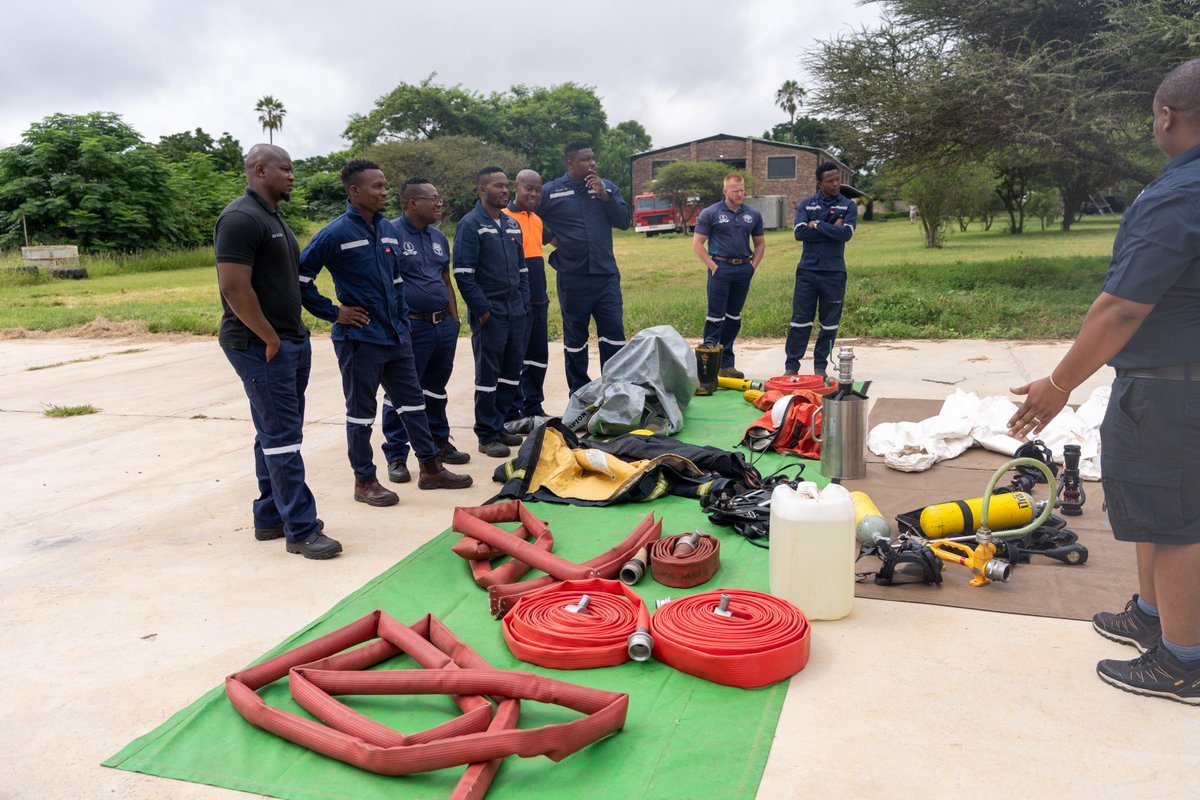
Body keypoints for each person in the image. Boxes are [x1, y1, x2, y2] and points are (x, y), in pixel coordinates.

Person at [1007, 58, 1200, 705]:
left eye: (1154, 116)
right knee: (1156, 505)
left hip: (1171, 388)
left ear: (1167, 117)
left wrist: (1058, 383)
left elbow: (1120, 307)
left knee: (1176, 522)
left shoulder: (1180, 193)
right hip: (1177, 379)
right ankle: (1152, 615)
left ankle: (1183, 661)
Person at [299, 160, 471, 505]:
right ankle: (364, 481)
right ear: (354, 191)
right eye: (377, 186)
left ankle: (430, 468)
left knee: (413, 404)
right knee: (361, 414)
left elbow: (395, 282)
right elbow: (300, 279)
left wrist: (403, 326)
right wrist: (335, 312)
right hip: (360, 340)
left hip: (397, 336)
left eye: (384, 185)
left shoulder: (387, 230)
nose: (383, 192)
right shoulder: (335, 233)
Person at [214, 144, 341, 559]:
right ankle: (301, 530)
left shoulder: (272, 218)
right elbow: (235, 288)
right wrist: (270, 337)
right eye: (284, 169)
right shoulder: (240, 218)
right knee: (282, 437)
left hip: (287, 340)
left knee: (274, 433)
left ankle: (270, 515)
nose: (291, 176)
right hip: (259, 345)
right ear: (258, 169)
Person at [378, 178, 471, 484]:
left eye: (439, 197)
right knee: (400, 393)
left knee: (435, 388)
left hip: (441, 325)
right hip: (411, 326)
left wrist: (454, 320)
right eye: (433, 199)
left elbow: (445, 279)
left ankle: (438, 443)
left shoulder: (439, 237)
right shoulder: (389, 233)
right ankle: (396, 455)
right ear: (412, 203)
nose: (439, 203)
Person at [534, 140, 632, 394]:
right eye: (586, 159)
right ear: (571, 163)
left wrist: (604, 196)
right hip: (572, 276)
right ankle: (579, 393)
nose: (592, 163)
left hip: (605, 275)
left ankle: (614, 391)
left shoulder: (606, 187)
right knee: (575, 339)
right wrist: (551, 237)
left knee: (613, 335)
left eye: (593, 158)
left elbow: (624, 222)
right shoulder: (552, 191)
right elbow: (530, 215)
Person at [452, 167, 529, 458]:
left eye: (506, 185)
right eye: (498, 186)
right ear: (482, 191)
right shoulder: (471, 225)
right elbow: (463, 273)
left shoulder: (511, 224)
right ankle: (486, 435)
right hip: (491, 314)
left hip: (515, 312)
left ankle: (500, 426)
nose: (505, 190)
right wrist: (483, 310)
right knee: (488, 375)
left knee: (511, 374)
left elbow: (522, 269)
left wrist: (522, 303)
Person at [785, 162, 857, 377]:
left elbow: (846, 235)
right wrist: (832, 227)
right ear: (819, 183)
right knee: (800, 321)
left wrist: (816, 224)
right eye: (830, 181)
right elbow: (799, 233)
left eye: (837, 180)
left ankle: (820, 368)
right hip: (807, 272)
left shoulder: (848, 205)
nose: (836, 184)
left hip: (834, 273)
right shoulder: (807, 204)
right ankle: (791, 367)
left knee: (829, 325)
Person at [691, 173, 766, 379]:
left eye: (742, 190)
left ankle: (726, 364)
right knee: (715, 317)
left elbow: (760, 244)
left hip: (743, 269)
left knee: (733, 317)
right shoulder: (711, 213)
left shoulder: (752, 214)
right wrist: (713, 266)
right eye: (735, 191)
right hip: (720, 268)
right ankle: (707, 368)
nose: (740, 194)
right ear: (725, 191)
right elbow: (697, 244)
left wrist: (752, 267)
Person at [502, 169, 549, 429]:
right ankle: (513, 409)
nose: (533, 194)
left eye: (538, 189)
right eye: (528, 188)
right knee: (516, 357)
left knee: (538, 356)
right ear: (516, 187)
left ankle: (534, 405)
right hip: (519, 297)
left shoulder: (537, 220)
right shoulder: (504, 219)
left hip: (539, 296)